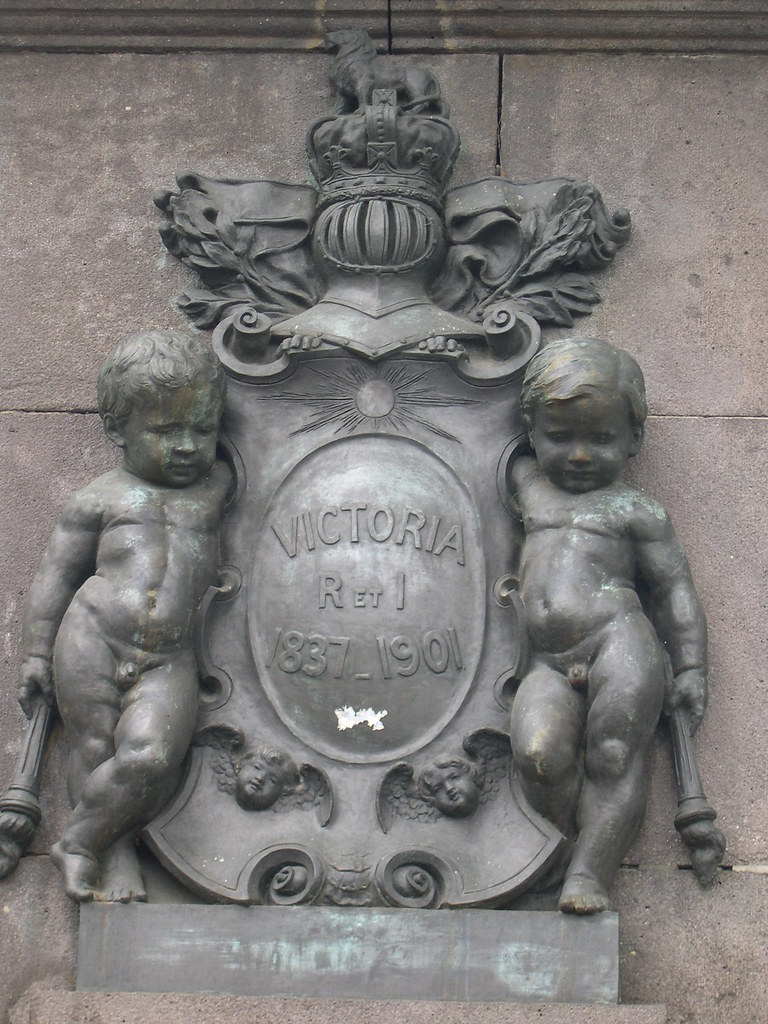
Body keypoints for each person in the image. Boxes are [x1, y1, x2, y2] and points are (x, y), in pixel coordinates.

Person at [18, 329, 231, 902]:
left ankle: (79, 838)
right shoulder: (99, 498)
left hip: (170, 655)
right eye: (166, 431)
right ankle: (111, 854)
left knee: (150, 755)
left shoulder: (216, 490)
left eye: (202, 428)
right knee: (94, 749)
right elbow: (57, 576)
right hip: (93, 634)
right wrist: (38, 651)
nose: (187, 445)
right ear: (118, 431)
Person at [509, 337, 707, 914]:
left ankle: (590, 873)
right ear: (532, 430)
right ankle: (570, 845)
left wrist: (691, 664)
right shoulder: (528, 488)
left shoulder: (636, 512)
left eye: (601, 439)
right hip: (544, 660)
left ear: (634, 440)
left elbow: (674, 591)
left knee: (616, 753)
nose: (577, 455)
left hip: (619, 642)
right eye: (560, 436)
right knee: (539, 753)